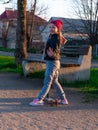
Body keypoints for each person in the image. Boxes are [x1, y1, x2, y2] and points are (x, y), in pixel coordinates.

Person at [29, 19, 68, 106]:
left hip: (52, 62)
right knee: (54, 81)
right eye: (50, 27)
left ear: (58, 28)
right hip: (53, 61)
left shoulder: (56, 38)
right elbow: (62, 41)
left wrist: (52, 54)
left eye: (53, 27)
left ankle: (40, 99)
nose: (51, 29)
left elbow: (57, 48)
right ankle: (63, 99)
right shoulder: (53, 35)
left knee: (47, 81)